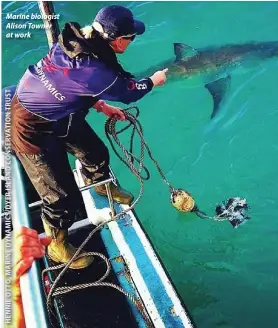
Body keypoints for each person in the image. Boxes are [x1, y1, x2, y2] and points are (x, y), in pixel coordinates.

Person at [10, 5, 168, 270]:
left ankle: (101, 186)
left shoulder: (76, 41)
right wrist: (153, 80)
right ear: (119, 40)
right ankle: (58, 246)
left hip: (58, 113)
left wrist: (101, 106)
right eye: (131, 37)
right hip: (30, 128)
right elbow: (129, 92)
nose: (132, 41)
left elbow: (71, 84)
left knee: (95, 153)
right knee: (61, 199)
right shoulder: (95, 70)